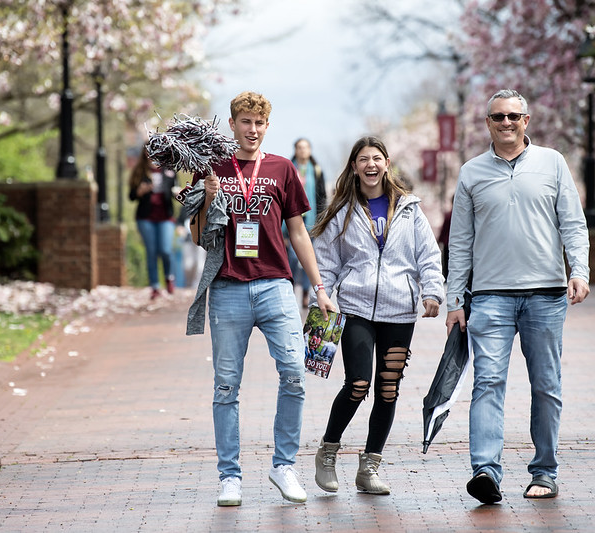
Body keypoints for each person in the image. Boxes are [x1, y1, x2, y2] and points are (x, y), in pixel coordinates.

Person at [187, 91, 335, 507]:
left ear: (267, 126)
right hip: (229, 288)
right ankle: (229, 477)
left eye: (260, 123)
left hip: (275, 286)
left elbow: (298, 232)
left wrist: (319, 288)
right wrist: (210, 197)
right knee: (226, 386)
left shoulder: (282, 169)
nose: (252, 130)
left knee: (294, 373)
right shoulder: (212, 168)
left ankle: (283, 465)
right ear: (232, 124)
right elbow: (199, 238)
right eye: (245, 122)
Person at [445, 89, 590, 504]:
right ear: (487, 123)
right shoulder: (471, 172)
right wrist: (455, 300)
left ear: (526, 120)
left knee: (546, 385)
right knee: (487, 383)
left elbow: (574, 225)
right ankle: (486, 472)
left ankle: (544, 471)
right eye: (497, 117)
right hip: (489, 296)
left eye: (513, 116)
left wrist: (578, 270)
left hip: (545, 295)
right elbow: (460, 241)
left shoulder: (553, 163)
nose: (505, 123)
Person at [310, 136, 444, 495]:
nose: (370, 165)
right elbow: (325, 262)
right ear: (354, 167)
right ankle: (328, 450)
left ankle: (369, 467)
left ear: (387, 163)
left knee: (388, 390)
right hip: (354, 309)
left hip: (400, 311)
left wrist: (432, 291)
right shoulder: (342, 212)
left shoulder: (409, 209)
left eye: (377, 158)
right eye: (363, 159)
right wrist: (322, 295)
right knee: (358, 384)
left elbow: (428, 256)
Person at [128, 146, 178, 299]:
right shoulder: (140, 172)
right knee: (151, 251)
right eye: (149, 150)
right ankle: (155, 286)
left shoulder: (169, 169)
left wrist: (178, 193)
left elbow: (176, 190)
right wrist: (140, 191)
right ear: (144, 153)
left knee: (165, 250)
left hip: (166, 217)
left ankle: (169, 276)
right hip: (146, 217)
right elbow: (131, 196)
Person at [284, 137, 327, 307]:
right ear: (295, 150)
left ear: (310, 150)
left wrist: (322, 222)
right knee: (293, 259)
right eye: (299, 147)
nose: (302, 150)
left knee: (311, 259)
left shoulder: (316, 170)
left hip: (312, 222)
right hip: (291, 222)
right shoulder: (287, 168)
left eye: (305, 147)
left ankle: (306, 293)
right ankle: (291, 288)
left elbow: (322, 197)